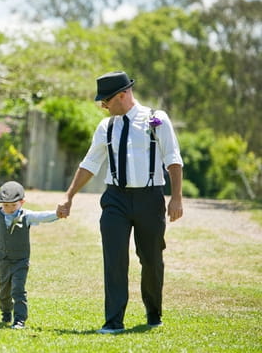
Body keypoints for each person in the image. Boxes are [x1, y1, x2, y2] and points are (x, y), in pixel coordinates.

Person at [56, 71, 183, 334]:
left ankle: (153, 312)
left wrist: (176, 198)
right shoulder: (106, 127)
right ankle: (113, 321)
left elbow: (172, 158)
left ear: (122, 95)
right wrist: (68, 196)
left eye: (106, 100)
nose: (102, 105)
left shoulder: (156, 120)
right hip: (115, 199)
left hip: (150, 197)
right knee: (114, 258)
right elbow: (90, 163)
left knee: (150, 260)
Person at [0, 181, 61, 330]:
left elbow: (42, 216)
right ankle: (6, 312)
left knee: (18, 289)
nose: (9, 209)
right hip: (3, 260)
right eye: (5, 205)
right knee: (4, 291)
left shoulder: (27, 216)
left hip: (20, 260)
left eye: (13, 205)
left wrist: (57, 214)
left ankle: (19, 320)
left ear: (22, 202)